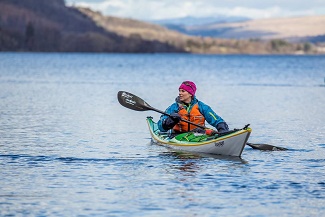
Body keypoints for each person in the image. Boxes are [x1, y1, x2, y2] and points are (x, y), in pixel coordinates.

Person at [157, 81, 229, 134]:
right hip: (177, 136)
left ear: (190, 94)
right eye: (179, 91)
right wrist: (169, 121)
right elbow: (161, 127)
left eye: (183, 91)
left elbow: (216, 119)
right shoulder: (174, 107)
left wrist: (222, 129)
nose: (180, 93)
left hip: (198, 135)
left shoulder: (202, 107)